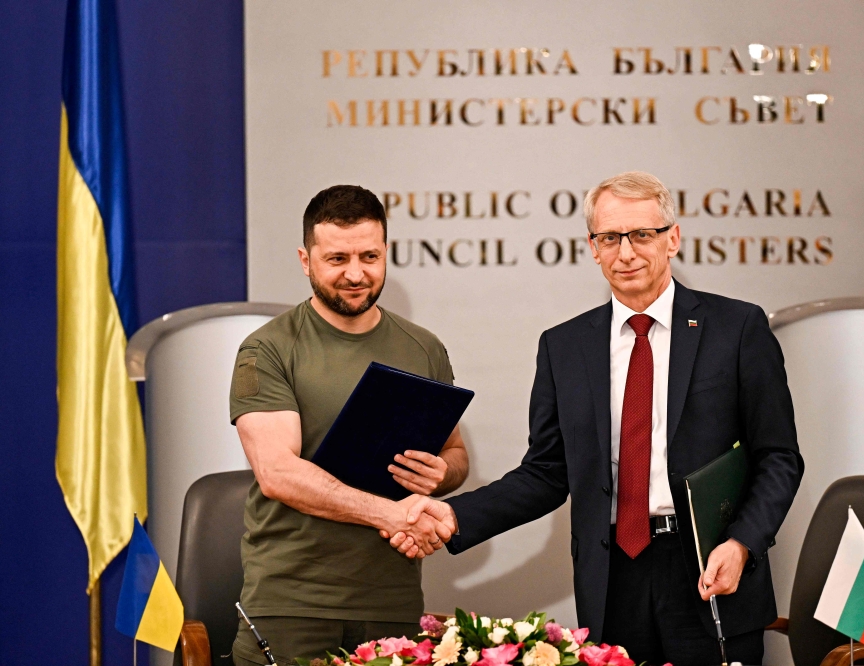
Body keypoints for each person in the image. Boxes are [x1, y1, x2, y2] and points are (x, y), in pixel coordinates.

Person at [389, 172, 803, 666]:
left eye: (641, 235)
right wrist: (456, 517)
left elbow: (778, 458)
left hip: (709, 568)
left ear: (673, 238)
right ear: (593, 247)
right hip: (612, 580)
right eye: (610, 237)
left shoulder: (737, 328)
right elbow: (546, 473)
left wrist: (741, 543)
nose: (626, 252)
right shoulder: (563, 347)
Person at [229, 185, 466, 665]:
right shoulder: (267, 349)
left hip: (393, 605)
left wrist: (441, 474)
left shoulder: (423, 347)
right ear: (305, 259)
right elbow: (278, 474)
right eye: (337, 258)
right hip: (292, 605)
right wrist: (391, 514)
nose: (356, 274)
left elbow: (456, 455)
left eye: (369, 256)